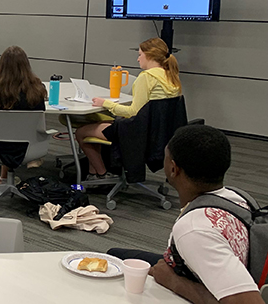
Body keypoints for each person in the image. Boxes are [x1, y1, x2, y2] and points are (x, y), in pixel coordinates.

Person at [107, 125, 264, 304]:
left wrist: (175, 282)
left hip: (212, 282)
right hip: (231, 268)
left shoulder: (195, 229)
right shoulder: (237, 197)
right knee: (115, 256)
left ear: (173, 169)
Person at [75, 37, 181, 181]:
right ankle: (93, 175)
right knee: (96, 126)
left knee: (81, 132)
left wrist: (105, 103)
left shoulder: (146, 77)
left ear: (149, 56)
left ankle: (101, 174)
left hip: (137, 134)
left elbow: (134, 112)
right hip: (158, 136)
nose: (138, 59)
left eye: (140, 55)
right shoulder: (171, 76)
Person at [0, 46, 47, 184]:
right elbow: (41, 112)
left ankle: (3, 177)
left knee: (6, 127)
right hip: (30, 146)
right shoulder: (36, 91)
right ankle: (11, 173)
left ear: (2, 66)